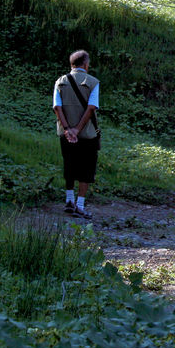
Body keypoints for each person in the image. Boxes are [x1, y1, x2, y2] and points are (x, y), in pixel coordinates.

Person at [52, 49, 100, 220]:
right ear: (86, 65)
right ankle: (79, 205)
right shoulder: (93, 82)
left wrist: (67, 129)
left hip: (65, 134)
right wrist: (77, 130)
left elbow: (57, 107)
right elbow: (91, 108)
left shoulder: (60, 82)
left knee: (69, 165)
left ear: (71, 64)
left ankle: (68, 200)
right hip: (86, 134)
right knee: (86, 168)